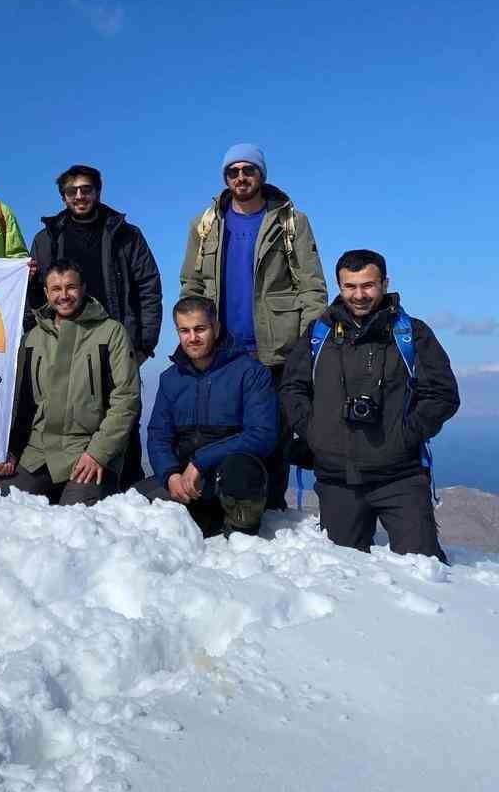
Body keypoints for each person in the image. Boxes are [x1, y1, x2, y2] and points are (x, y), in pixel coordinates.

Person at [280, 250, 459, 559]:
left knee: (424, 568)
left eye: (368, 285)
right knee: (343, 573)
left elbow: (443, 395)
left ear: (385, 283)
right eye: (350, 286)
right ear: (339, 286)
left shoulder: (412, 333)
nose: (359, 295)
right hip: (338, 479)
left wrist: (404, 435)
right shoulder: (319, 333)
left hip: (399, 477)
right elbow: (292, 388)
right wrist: (314, 432)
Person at [180, 143, 326, 510]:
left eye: (249, 170)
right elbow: (191, 284)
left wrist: (309, 343)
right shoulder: (205, 224)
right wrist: (195, 331)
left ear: (262, 174)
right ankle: (230, 503)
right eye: (233, 171)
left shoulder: (290, 221)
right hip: (223, 348)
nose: (241, 177)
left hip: (276, 349)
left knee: (271, 433)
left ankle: (271, 507)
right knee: (225, 430)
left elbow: (312, 286)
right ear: (225, 178)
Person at [29, 163, 162, 487]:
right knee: (63, 412)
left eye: (86, 189)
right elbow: (35, 295)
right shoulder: (46, 239)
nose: (80, 196)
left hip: (114, 336)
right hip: (63, 339)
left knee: (121, 412)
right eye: (72, 191)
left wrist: (144, 343)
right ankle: (64, 480)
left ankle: (127, 486)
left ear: (98, 192)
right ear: (62, 197)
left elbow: (149, 286)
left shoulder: (125, 234)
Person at [0, 261, 139, 505]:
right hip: (36, 454)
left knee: (74, 522)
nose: (64, 295)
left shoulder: (111, 333)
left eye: (70, 287)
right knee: (2, 508)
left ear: (83, 288)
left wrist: (98, 453)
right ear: (46, 293)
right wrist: (4, 449)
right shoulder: (31, 339)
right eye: (56, 289)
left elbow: (126, 399)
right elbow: (12, 400)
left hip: (87, 453)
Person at [136, 296, 278, 538]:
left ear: (216, 327)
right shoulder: (171, 379)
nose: (192, 338)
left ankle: (241, 536)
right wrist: (170, 475)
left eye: (200, 329)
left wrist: (201, 461)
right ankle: (197, 524)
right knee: (131, 504)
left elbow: (262, 434)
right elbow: (158, 435)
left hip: (231, 477)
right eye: (185, 330)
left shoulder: (250, 372)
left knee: (240, 470)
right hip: (189, 482)